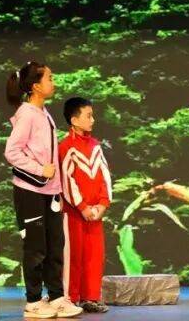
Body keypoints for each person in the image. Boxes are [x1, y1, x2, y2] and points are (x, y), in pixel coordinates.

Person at [4, 61, 82, 318]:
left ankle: (57, 297)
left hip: (50, 191)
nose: (53, 82)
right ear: (36, 86)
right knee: (36, 248)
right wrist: (39, 169)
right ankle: (34, 301)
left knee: (55, 245)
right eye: (49, 78)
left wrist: (56, 185)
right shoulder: (27, 113)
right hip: (30, 191)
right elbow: (12, 152)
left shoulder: (43, 112)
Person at [59, 97, 112, 314]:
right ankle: (71, 298)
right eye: (88, 116)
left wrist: (102, 204)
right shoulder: (65, 147)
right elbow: (66, 180)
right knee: (74, 256)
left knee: (94, 255)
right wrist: (82, 207)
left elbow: (104, 176)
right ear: (74, 120)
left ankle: (91, 297)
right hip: (74, 213)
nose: (93, 120)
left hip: (95, 212)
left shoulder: (95, 146)